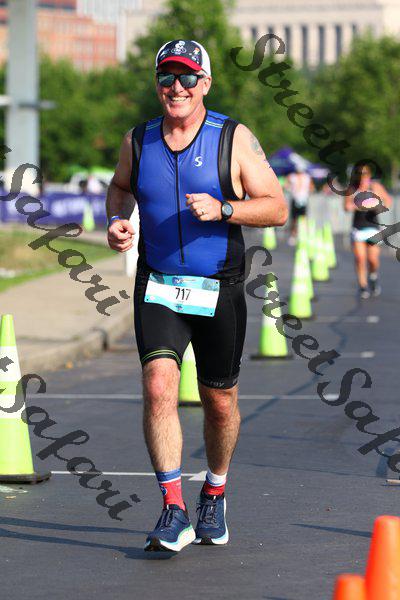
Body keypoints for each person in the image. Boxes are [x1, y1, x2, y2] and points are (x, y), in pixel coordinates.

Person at [106, 39, 287, 553]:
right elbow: (119, 187)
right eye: (166, 77)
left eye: (187, 77)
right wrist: (117, 220)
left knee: (219, 401)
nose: (176, 87)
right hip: (159, 284)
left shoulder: (233, 138)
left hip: (219, 287)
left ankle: (214, 492)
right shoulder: (138, 140)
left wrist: (225, 209)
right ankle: (173, 509)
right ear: (157, 84)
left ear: (205, 83)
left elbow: (276, 207)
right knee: (159, 385)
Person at [344, 163, 392, 299]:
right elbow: (346, 207)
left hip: (373, 228)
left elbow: (388, 201)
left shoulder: (375, 187)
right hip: (358, 228)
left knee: (373, 260)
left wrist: (378, 204)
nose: (362, 177)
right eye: (360, 174)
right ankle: (363, 286)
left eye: (365, 174)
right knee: (360, 258)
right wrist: (359, 206)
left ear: (369, 175)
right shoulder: (352, 189)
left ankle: (373, 276)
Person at [285, 165, 313, 245]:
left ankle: (302, 235)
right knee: (294, 219)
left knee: (303, 218)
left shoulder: (307, 177)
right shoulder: (292, 176)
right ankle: (293, 235)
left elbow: (311, 187)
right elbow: (286, 185)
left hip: (303, 200)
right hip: (295, 199)